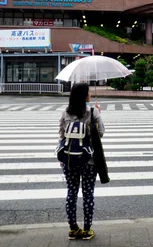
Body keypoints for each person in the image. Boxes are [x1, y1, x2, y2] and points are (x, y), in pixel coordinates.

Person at [58, 82, 105, 240]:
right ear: (85, 95)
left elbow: (62, 135)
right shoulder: (92, 112)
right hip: (88, 160)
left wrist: (63, 157)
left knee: (71, 192)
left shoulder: (66, 112)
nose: (90, 94)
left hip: (69, 159)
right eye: (88, 92)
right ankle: (86, 229)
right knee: (88, 193)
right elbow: (101, 133)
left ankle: (73, 229)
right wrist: (98, 113)